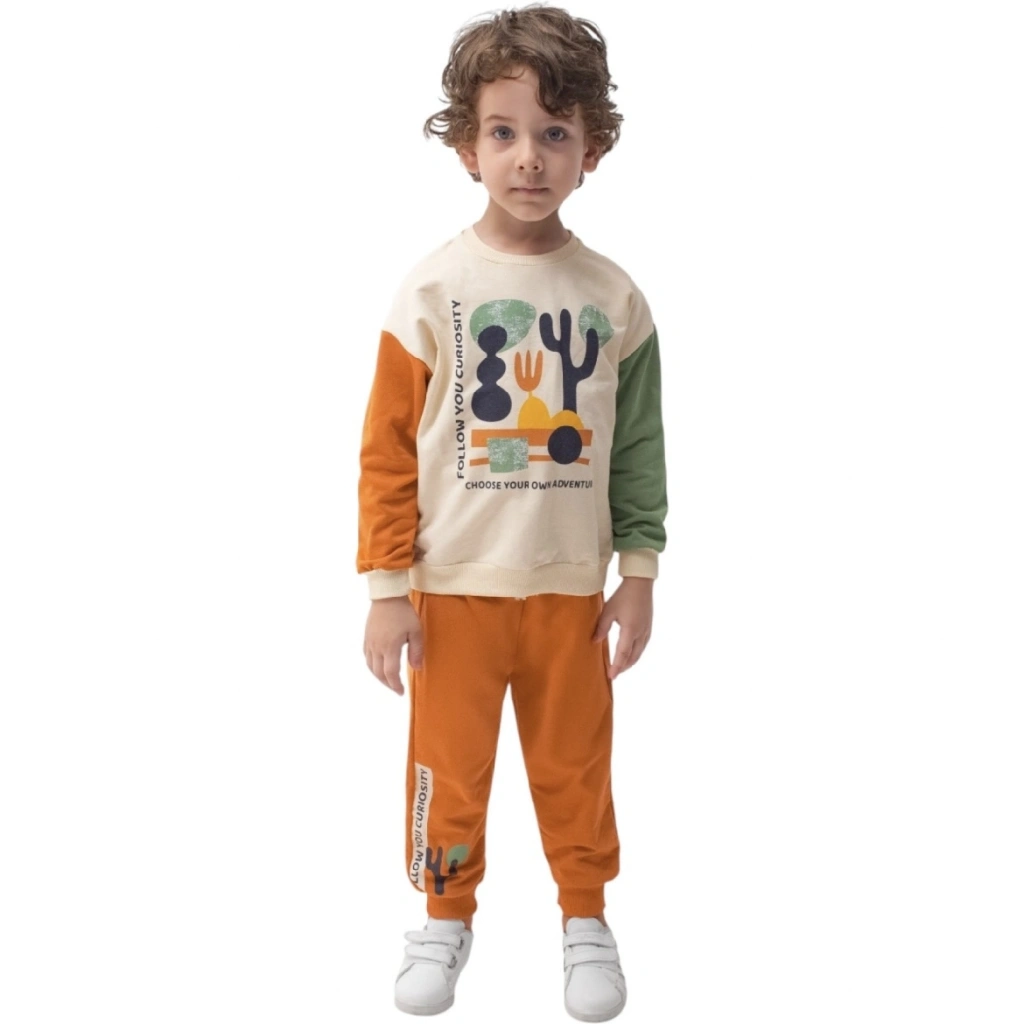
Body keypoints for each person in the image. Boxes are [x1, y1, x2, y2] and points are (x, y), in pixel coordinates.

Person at [356, 6, 667, 1019]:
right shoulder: (431, 290)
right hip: (451, 593)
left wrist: (638, 573)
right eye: (503, 131)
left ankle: (585, 917)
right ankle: (444, 913)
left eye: (554, 132)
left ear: (592, 149)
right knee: (448, 771)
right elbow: (386, 451)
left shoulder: (615, 299)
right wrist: (386, 589)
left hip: (570, 595)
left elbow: (637, 449)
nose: (528, 156)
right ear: (466, 146)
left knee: (576, 769)